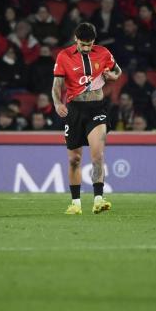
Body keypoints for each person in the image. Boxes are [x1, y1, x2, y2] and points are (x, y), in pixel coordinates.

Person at [52, 23, 121, 215]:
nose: (86, 48)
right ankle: (75, 203)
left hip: (97, 108)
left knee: (97, 155)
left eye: (89, 44)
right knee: (74, 159)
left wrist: (112, 75)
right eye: (83, 44)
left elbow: (118, 71)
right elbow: (56, 85)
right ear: (76, 39)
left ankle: (99, 199)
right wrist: (57, 103)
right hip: (74, 110)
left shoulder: (103, 53)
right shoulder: (64, 56)